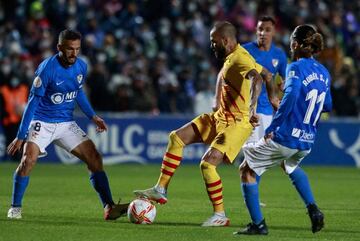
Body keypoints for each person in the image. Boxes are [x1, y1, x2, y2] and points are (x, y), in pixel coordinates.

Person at [134, 21, 269, 227]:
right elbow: (266, 74)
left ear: (225, 40)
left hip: (236, 122)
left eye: (214, 42)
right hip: (220, 117)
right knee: (176, 137)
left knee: (207, 164)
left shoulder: (240, 58)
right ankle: (160, 189)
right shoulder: (236, 55)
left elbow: (257, 79)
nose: (212, 46)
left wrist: (252, 108)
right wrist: (275, 92)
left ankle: (220, 215)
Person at [6, 29, 128, 220]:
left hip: (65, 123)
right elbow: (32, 103)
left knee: (94, 158)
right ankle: (15, 208)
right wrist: (21, 135)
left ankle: (109, 207)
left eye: (77, 49)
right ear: (59, 47)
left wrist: (92, 116)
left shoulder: (81, 66)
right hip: (42, 121)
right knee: (28, 161)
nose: (74, 53)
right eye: (70, 49)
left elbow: (78, 92)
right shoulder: (47, 69)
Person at [234, 24, 332, 235]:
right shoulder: (324, 72)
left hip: (286, 137)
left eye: (291, 43)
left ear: (295, 44)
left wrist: (274, 126)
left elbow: (292, 97)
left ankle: (258, 225)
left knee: (246, 169)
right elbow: (328, 105)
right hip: (307, 141)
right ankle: (313, 209)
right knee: (290, 166)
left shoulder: (295, 67)